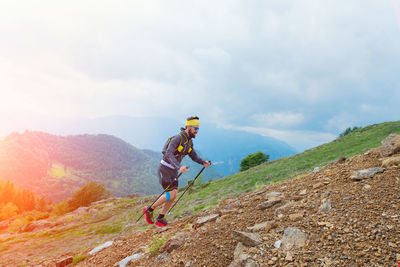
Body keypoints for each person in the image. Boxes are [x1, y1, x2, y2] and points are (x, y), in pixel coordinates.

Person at [143, 116, 211, 227]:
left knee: (174, 195)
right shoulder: (178, 138)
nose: (197, 131)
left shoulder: (189, 142)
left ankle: (160, 217)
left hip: (173, 170)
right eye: (195, 128)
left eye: (198, 128)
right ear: (188, 127)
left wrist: (203, 162)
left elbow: (193, 156)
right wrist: (179, 166)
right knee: (170, 194)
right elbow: (168, 154)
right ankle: (149, 209)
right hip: (164, 169)